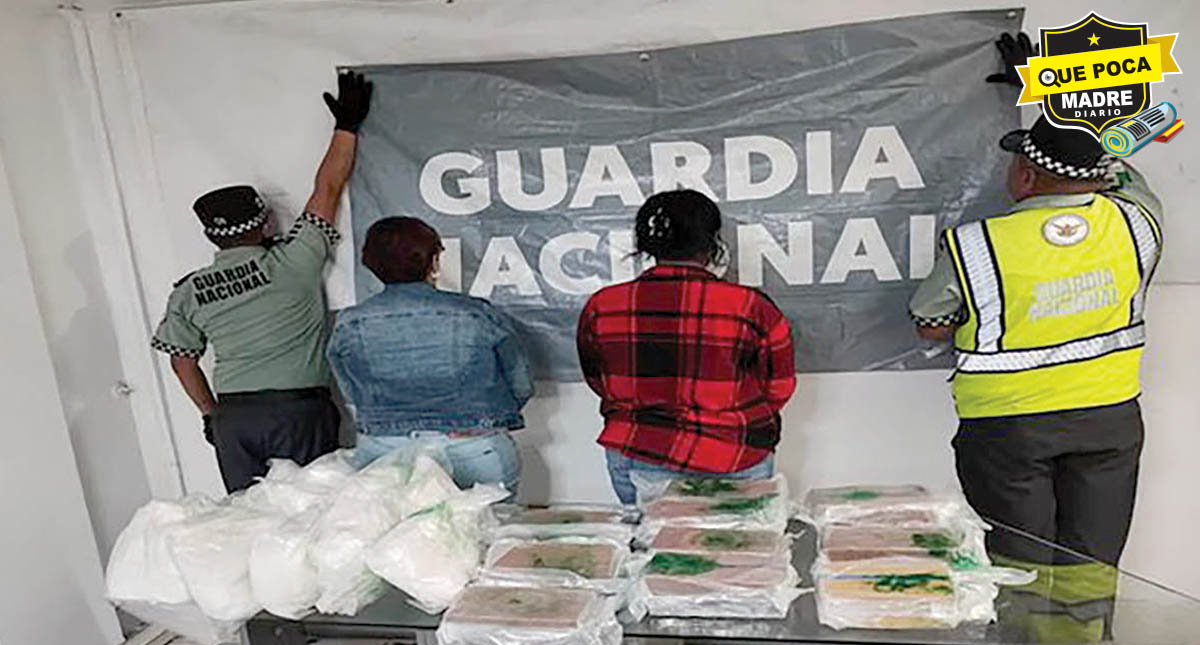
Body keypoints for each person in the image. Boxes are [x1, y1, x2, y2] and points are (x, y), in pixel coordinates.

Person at [909, 39, 1162, 645]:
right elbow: (1123, 169)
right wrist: (1054, 97)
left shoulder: (976, 245)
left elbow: (929, 321)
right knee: (1091, 547)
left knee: (1020, 546)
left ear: (1025, 175)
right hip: (1109, 419)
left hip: (1008, 426)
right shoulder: (1138, 223)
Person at [152, 71, 373, 493]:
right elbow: (328, 188)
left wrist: (210, 414)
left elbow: (182, 362)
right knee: (318, 511)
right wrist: (346, 126)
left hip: (235, 418)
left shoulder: (189, 291)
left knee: (248, 516)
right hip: (298, 411)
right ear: (267, 223)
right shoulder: (294, 260)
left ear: (211, 237)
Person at [577, 189, 797, 505]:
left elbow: (598, 379)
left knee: (649, 537)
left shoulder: (603, 305)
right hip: (734, 452)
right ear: (713, 242)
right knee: (743, 538)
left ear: (648, 244)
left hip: (638, 449)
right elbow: (778, 387)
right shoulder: (751, 306)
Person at [327, 216, 533, 494]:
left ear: (371, 264)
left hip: (385, 450)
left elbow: (351, 391)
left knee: (390, 523)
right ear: (433, 260)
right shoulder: (476, 313)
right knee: (489, 522)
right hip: (473, 446)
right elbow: (521, 384)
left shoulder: (350, 322)